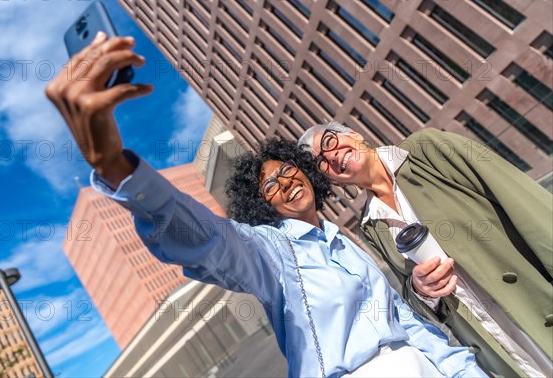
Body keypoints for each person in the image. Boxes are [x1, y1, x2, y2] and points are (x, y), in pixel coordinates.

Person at [45, 32, 488, 377]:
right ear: (263, 207)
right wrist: (115, 166)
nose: (284, 182)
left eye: (287, 170)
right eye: (269, 186)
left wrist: (464, 371)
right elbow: (208, 239)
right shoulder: (271, 253)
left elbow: (407, 325)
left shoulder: (348, 242)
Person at [299, 122, 553, 377]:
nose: (331, 156)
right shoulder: (371, 226)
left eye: (330, 142)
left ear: (354, 134)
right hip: (498, 346)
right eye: (322, 163)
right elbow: (411, 299)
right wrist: (422, 290)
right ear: (332, 180)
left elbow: (524, 204)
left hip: (532, 305)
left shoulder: (426, 149)